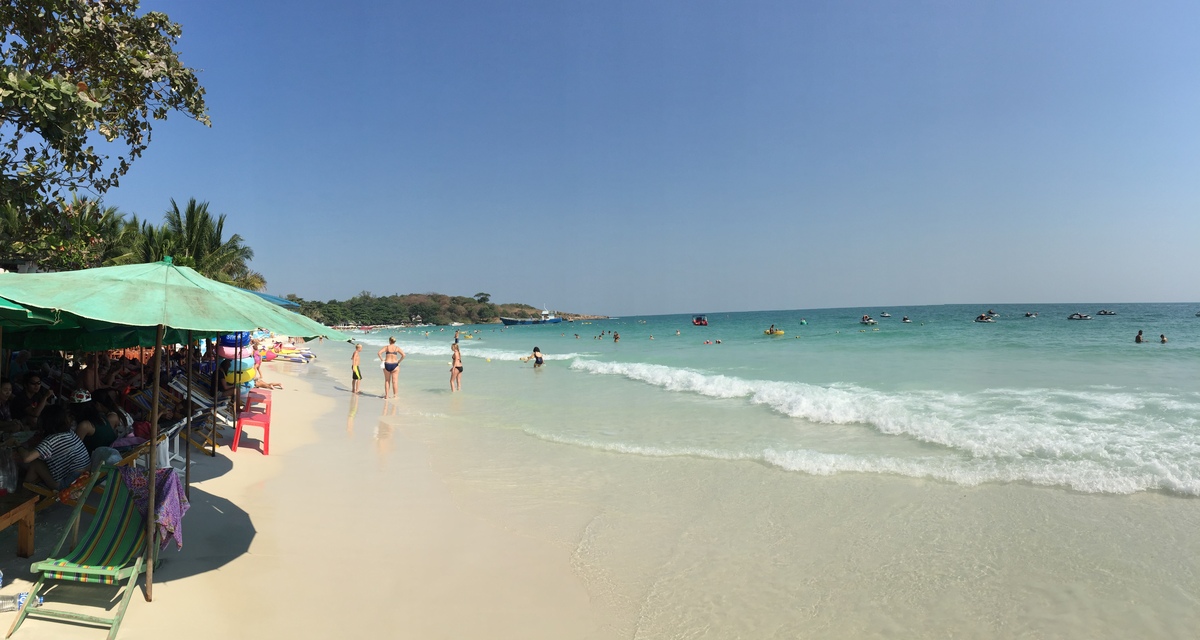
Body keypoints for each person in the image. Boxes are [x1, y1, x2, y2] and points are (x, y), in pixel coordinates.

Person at [19, 404, 90, 490]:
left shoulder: (51, 440)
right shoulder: (69, 433)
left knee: (36, 463)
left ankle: (24, 492)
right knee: (42, 463)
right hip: (84, 478)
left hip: (69, 484)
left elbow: (27, 458)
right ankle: (29, 489)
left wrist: (18, 446)